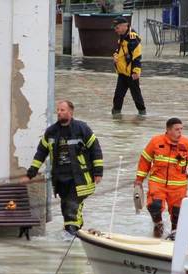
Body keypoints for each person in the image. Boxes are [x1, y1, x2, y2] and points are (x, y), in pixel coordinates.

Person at [23, 100, 103, 236]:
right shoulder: (51, 132)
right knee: (66, 207)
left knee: (71, 208)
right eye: (58, 110)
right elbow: (41, 152)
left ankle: (71, 234)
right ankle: (74, 236)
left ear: (70, 112)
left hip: (79, 178)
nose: (59, 113)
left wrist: (98, 171)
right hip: (60, 179)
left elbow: (96, 149)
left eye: (62, 110)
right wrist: (32, 171)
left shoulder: (82, 129)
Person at [135, 117, 188, 238]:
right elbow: (145, 160)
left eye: (181, 129)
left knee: (177, 214)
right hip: (157, 183)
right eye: (177, 129)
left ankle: (174, 234)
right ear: (168, 130)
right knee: (154, 206)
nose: (180, 132)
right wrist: (139, 180)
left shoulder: (187, 144)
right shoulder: (156, 142)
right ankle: (158, 225)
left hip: (178, 187)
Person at [111, 16, 147, 116]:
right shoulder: (122, 36)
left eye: (117, 27)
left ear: (124, 26)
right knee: (118, 96)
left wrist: (136, 71)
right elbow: (118, 50)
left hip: (131, 74)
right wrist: (115, 56)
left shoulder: (132, 38)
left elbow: (137, 56)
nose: (115, 30)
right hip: (122, 73)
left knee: (136, 96)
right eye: (115, 27)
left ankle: (142, 114)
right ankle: (115, 115)